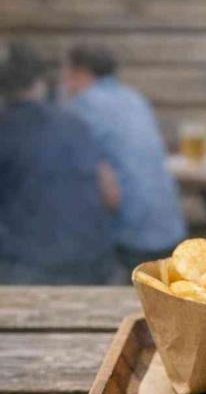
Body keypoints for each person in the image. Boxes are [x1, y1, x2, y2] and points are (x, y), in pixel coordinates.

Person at [63, 42, 187, 274]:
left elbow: (106, 189)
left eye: (67, 74)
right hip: (171, 227)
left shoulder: (81, 107)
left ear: (80, 73)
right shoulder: (133, 98)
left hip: (131, 235)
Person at [0, 42, 118, 285]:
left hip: (28, 273)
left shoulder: (7, 129)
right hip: (96, 266)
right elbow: (112, 196)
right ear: (39, 82)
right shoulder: (75, 122)